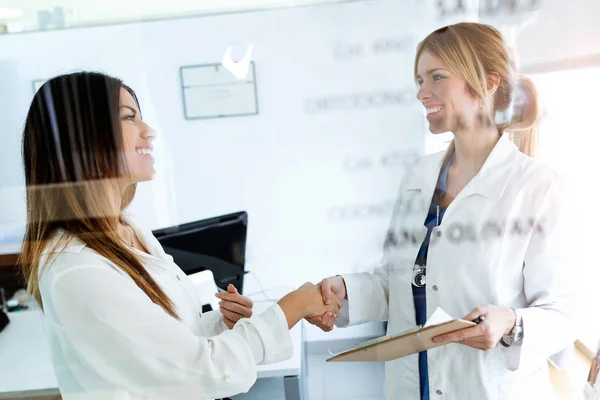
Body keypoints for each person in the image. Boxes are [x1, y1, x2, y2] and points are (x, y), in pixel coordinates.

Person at [18, 72, 341, 400]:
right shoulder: (77, 269)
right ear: (81, 140)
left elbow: (168, 342)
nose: (150, 132)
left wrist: (221, 324)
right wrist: (295, 305)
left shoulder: (128, 230)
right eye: (130, 118)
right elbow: (203, 372)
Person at [308, 23, 581, 399]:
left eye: (437, 77)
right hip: (412, 385)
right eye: (420, 80)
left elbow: (565, 313)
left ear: (486, 83)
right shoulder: (417, 176)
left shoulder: (538, 188)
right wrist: (347, 291)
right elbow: (399, 281)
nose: (421, 93)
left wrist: (512, 323)